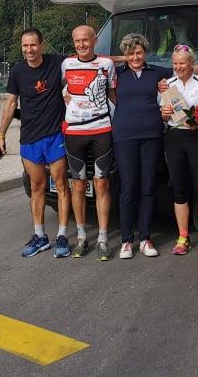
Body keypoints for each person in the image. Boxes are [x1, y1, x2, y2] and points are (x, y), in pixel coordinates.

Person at [0, 28, 71, 258]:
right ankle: (40, 236)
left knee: (61, 185)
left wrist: (126, 58)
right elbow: (11, 104)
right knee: (37, 186)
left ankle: (62, 235)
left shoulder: (57, 63)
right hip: (30, 138)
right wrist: (1, 135)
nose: (29, 50)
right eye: (25, 46)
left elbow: (88, 59)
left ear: (41, 45)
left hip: (55, 136)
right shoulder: (17, 72)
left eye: (33, 45)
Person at [112, 33, 171, 259]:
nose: (135, 57)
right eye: (130, 53)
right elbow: (96, 62)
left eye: (138, 53)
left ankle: (145, 238)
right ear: (124, 55)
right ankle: (127, 240)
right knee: (128, 187)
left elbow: (185, 68)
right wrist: (122, 58)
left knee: (148, 186)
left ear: (145, 53)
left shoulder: (156, 72)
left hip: (151, 135)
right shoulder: (117, 73)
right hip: (124, 136)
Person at [62, 25, 117, 261]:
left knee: (102, 184)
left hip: (101, 130)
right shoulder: (66, 64)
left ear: (95, 40)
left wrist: (117, 120)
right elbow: (62, 89)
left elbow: (112, 95)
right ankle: (82, 236)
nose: (81, 45)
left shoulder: (107, 64)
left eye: (85, 40)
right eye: (77, 41)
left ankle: (103, 238)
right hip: (74, 132)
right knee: (78, 185)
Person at [160, 44, 198, 257]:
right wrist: (165, 114)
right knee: (179, 189)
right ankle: (183, 237)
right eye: (175, 64)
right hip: (174, 138)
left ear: (191, 63)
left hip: (196, 138)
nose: (178, 67)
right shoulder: (168, 85)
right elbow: (163, 114)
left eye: (182, 63)